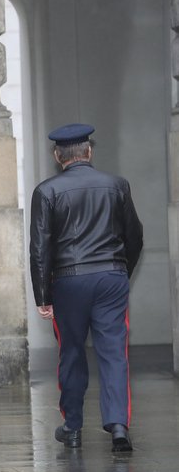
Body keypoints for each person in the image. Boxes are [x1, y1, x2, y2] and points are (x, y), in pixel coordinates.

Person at [29, 123, 143, 452]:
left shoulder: (46, 192)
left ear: (57, 156)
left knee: (72, 352)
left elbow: (40, 249)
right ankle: (118, 425)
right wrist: (121, 272)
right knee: (113, 353)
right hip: (110, 278)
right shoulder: (117, 185)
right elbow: (134, 236)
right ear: (89, 152)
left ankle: (73, 427)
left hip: (68, 282)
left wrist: (43, 296)